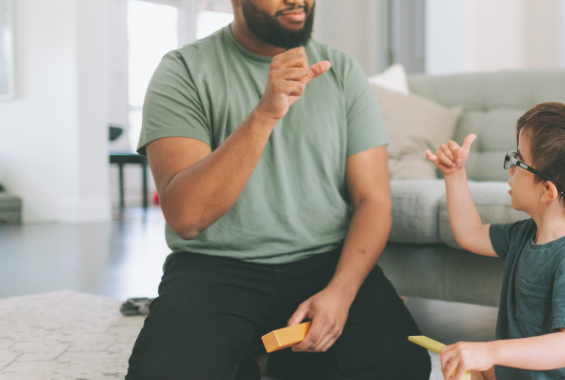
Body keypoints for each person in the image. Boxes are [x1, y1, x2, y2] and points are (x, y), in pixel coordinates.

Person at [125, 0, 430, 378]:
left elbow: (374, 200)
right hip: (216, 266)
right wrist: (265, 114)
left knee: (401, 366)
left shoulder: (344, 71)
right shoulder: (183, 71)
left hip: (325, 263)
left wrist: (341, 292)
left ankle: (283, 360)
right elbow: (186, 217)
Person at [425, 102, 565, 380]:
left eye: (518, 160)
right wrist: (454, 174)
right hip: (522, 372)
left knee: (479, 362)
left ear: (547, 191)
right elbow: (470, 233)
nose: (510, 169)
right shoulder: (526, 234)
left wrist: (492, 351)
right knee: (463, 370)